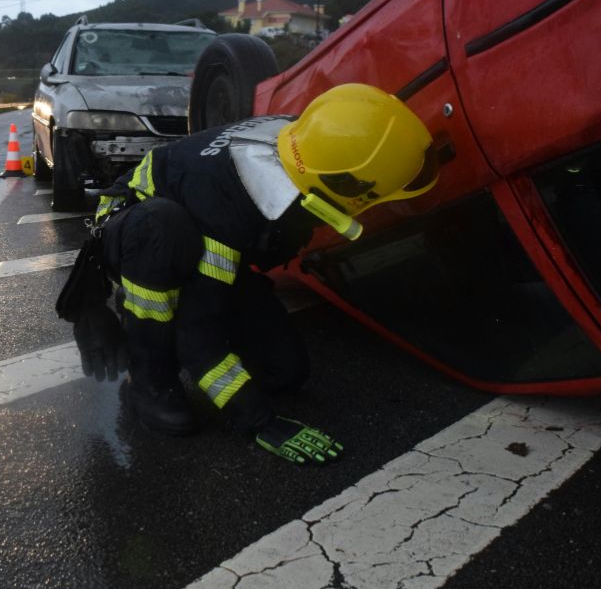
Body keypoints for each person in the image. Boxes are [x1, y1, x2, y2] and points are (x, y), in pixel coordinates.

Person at [56, 84, 439, 465]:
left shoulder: (312, 142)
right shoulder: (227, 205)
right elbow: (197, 334)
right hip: (140, 229)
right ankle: (149, 376)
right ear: (348, 186)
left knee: (284, 372)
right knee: (163, 233)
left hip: (199, 228)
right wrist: (259, 421)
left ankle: (178, 303)